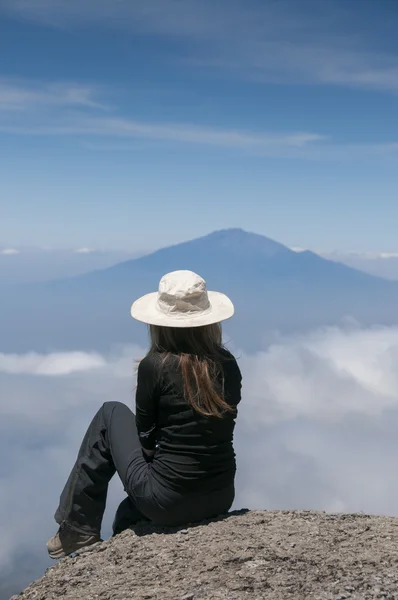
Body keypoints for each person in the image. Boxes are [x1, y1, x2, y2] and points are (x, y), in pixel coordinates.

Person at [47, 270, 242, 559]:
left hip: (166, 501)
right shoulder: (228, 364)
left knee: (110, 413)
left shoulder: (156, 366)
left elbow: (146, 438)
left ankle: (78, 528)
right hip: (221, 495)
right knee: (131, 509)